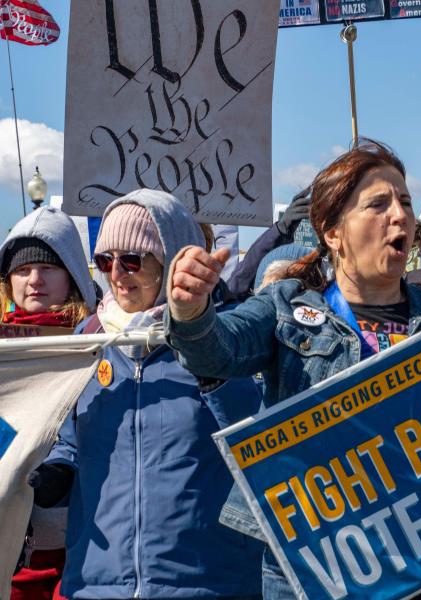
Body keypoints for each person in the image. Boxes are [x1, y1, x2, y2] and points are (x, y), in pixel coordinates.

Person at [164, 141, 421, 598]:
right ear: (332, 232)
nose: (400, 215)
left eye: (403, 202)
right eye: (378, 204)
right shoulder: (286, 309)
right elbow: (214, 352)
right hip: (324, 571)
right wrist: (191, 309)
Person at [38, 189, 264, 599]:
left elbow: (256, 434)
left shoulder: (227, 332)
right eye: (106, 261)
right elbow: (66, 438)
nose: (117, 274)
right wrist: (53, 470)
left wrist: (200, 341)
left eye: (132, 260)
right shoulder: (87, 339)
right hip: (97, 584)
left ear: (171, 256)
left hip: (209, 583)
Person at [0, 206, 96, 600]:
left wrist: (62, 470)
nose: (34, 280)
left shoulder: (98, 341)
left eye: (47, 268)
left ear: (71, 273)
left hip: (76, 545)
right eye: (22, 270)